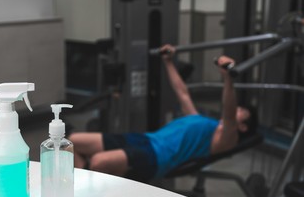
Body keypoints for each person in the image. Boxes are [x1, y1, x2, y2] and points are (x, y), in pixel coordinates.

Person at [69, 44, 258, 182]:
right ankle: (82, 189)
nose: (238, 109)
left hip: (157, 158)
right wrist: (168, 61)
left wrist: (227, 79)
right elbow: (182, 92)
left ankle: (86, 195)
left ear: (242, 126)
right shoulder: (202, 120)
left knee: (98, 163)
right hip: (145, 139)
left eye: (242, 112)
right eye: (239, 107)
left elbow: (229, 113)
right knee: (70, 142)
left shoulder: (226, 139)